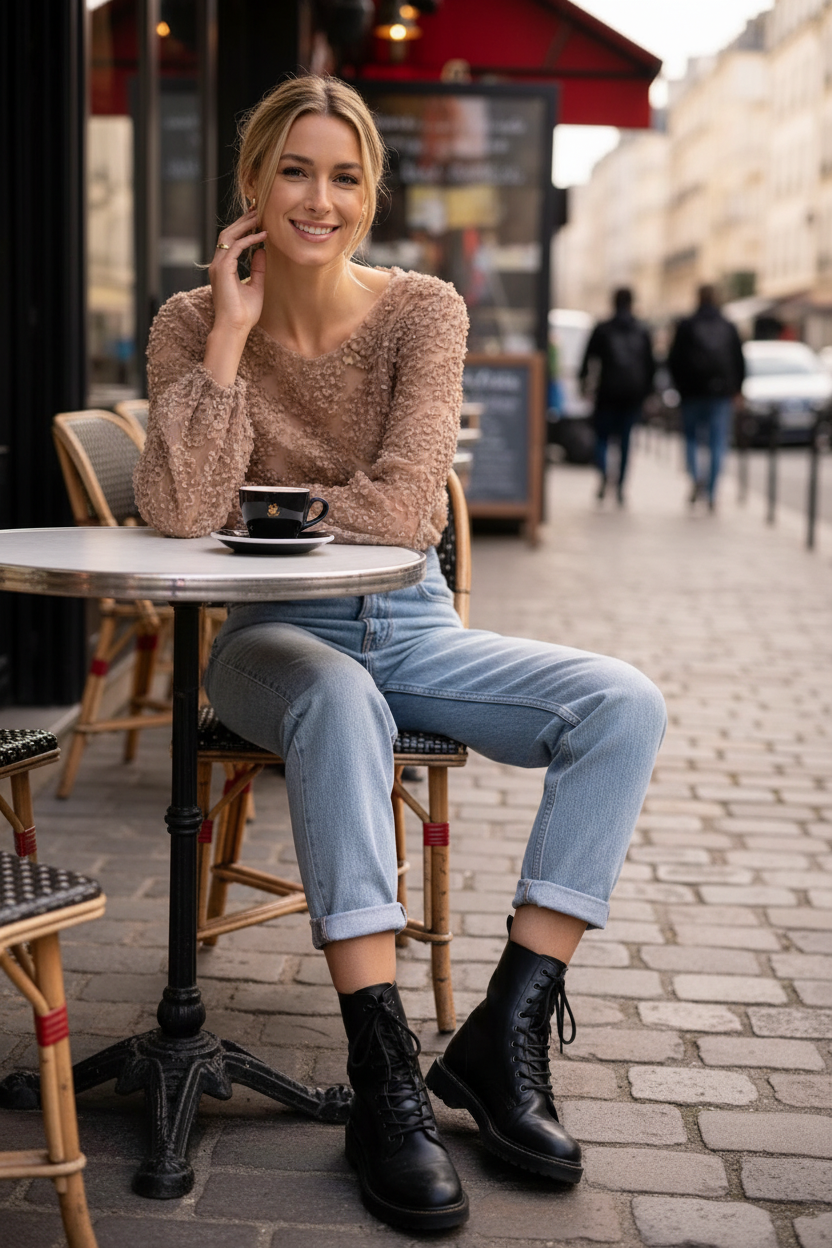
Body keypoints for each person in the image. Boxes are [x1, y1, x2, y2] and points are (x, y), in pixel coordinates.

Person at [134, 76, 667, 1233]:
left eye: (342, 176)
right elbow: (180, 512)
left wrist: (270, 503)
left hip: (411, 622)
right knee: (336, 702)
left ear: (369, 193)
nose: (316, 199)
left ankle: (502, 1035)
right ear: (252, 185)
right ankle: (383, 1070)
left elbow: (406, 507)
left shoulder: (423, 310)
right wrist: (228, 340)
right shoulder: (188, 321)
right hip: (268, 644)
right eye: (293, 171)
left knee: (621, 705)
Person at [668, 284, 745, 510]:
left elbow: (674, 360)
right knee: (717, 442)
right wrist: (737, 389)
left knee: (691, 438)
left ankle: (695, 478)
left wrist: (679, 386)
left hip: (691, 393)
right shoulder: (728, 326)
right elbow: (738, 360)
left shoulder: (686, 325)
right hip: (721, 393)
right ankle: (711, 492)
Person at [579, 288, 655, 505]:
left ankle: (604, 473)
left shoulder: (603, 328)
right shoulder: (642, 330)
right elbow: (650, 365)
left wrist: (583, 383)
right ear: (631, 303)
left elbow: (587, 359)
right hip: (632, 395)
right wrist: (648, 393)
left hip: (608, 392)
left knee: (601, 438)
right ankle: (620, 486)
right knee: (625, 442)